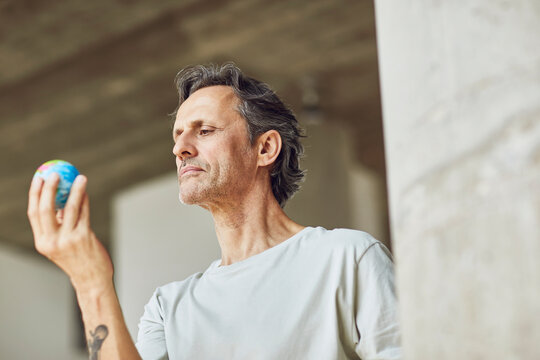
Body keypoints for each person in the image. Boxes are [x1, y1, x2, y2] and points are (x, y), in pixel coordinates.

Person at [27, 63, 401, 359]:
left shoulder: (348, 259)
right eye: (177, 136)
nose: (180, 149)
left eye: (203, 130)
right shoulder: (168, 307)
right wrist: (90, 281)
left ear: (265, 149)